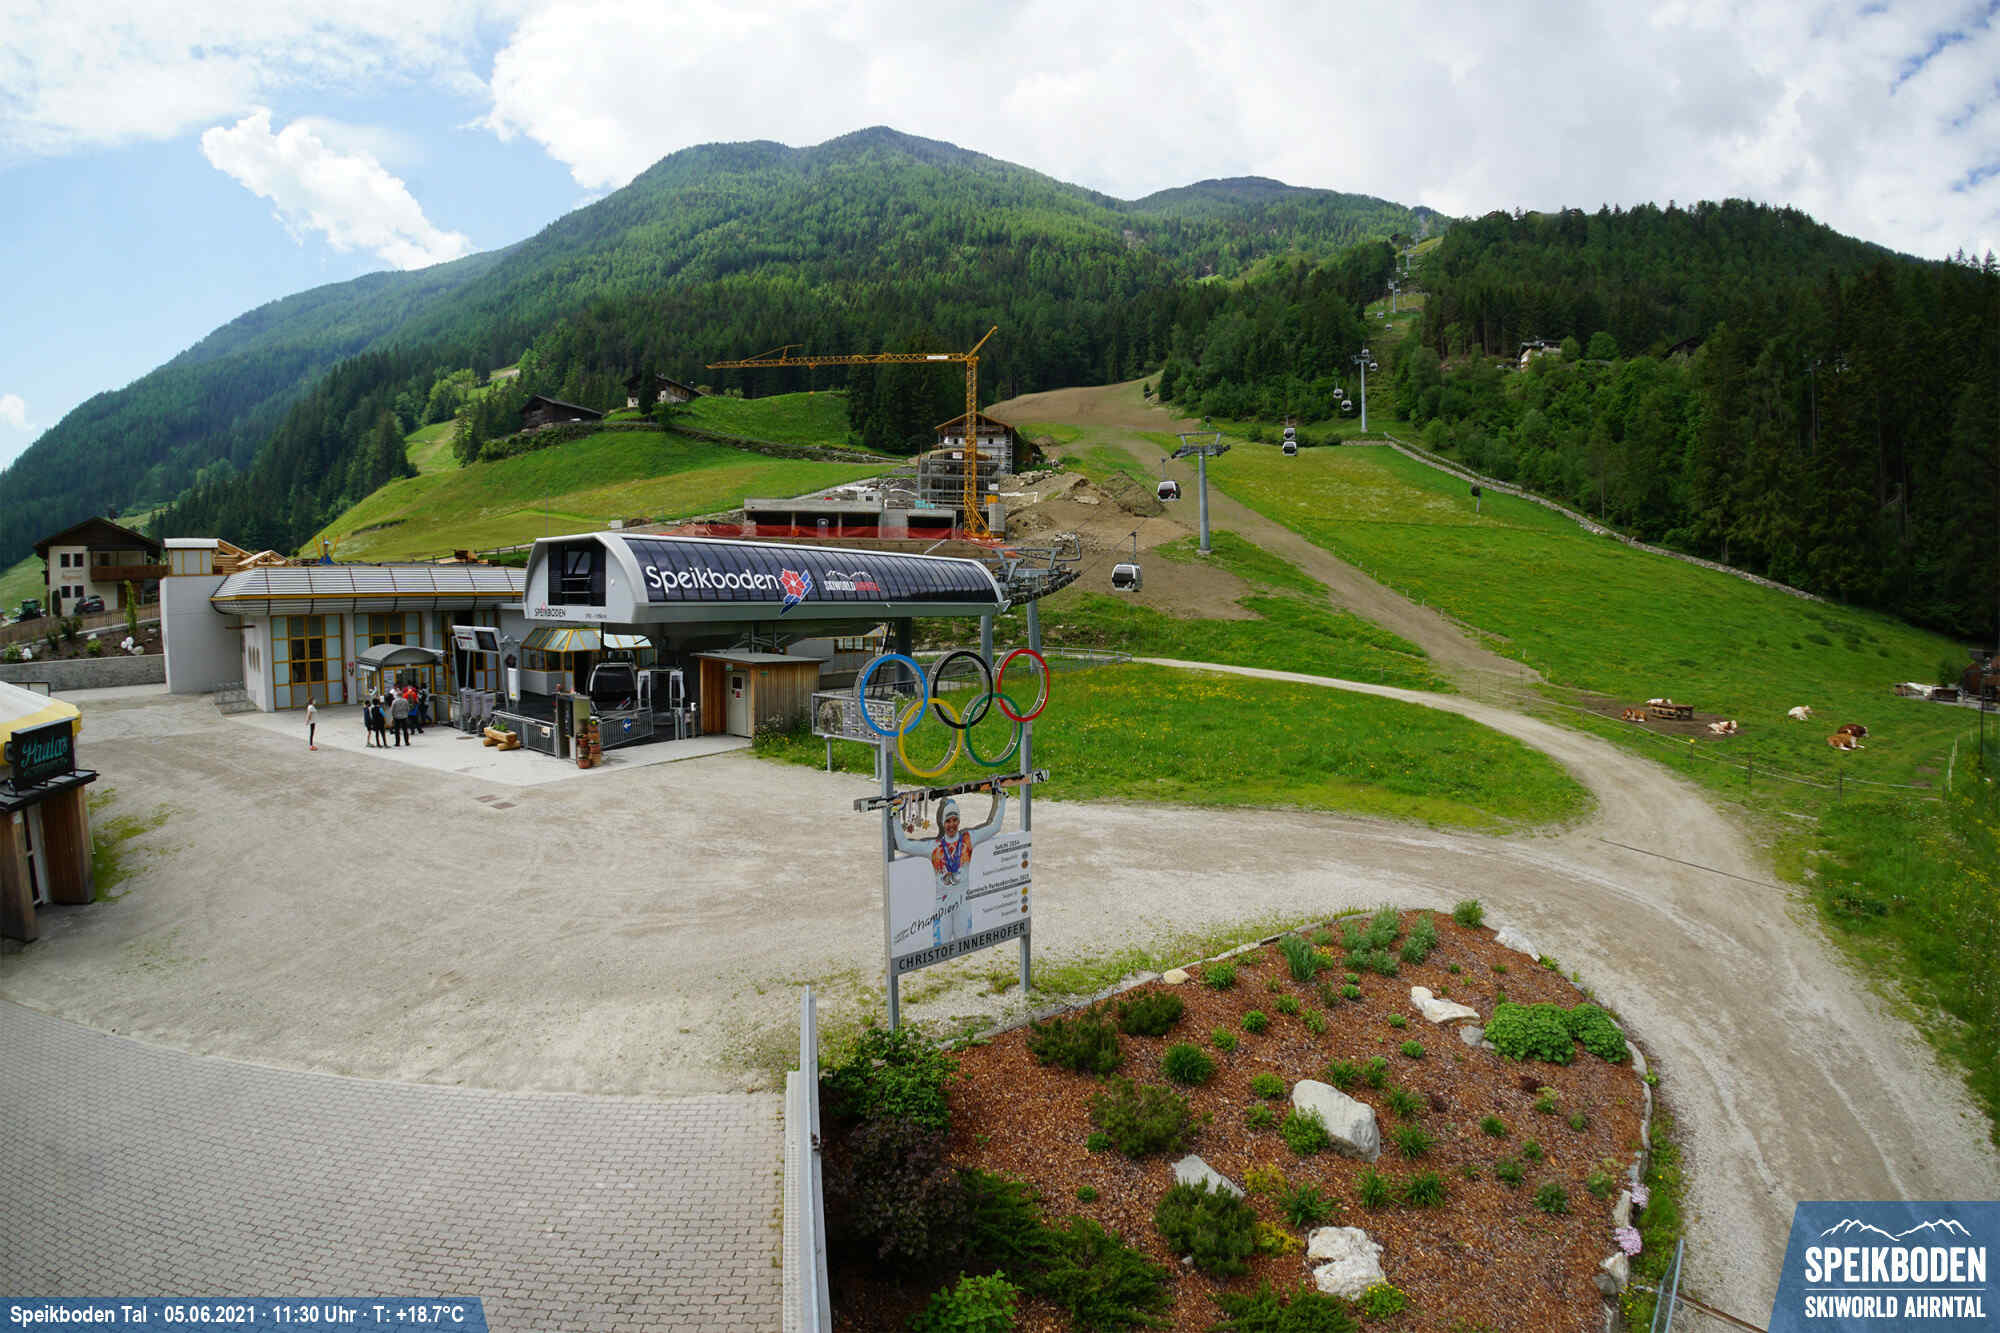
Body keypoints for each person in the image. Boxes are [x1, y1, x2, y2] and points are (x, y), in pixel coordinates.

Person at [892, 782, 1009, 948]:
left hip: (963, 902)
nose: (952, 824)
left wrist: (1002, 799)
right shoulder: (933, 847)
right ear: (942, 822)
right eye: (948, 821)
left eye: (955, 820)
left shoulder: (969, 839)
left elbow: (995, 827)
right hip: (943, 904)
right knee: (940, 948)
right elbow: (903, 845)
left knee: (965, 946)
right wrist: (895, 816)